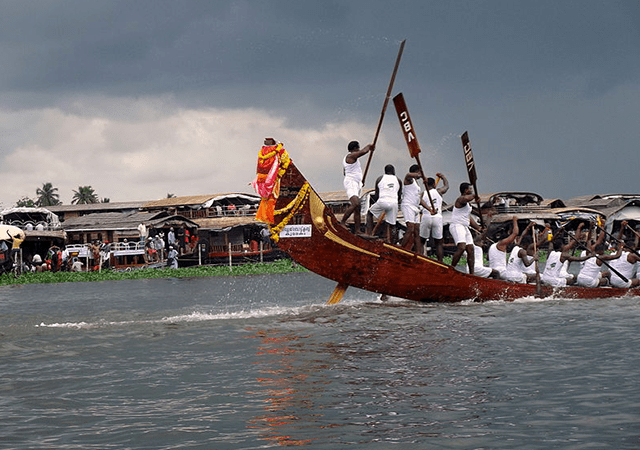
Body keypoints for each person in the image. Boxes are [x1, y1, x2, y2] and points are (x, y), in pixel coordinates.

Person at [341, 140, 374, 233]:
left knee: (357, 208)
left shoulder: (353, 159)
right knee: (355, 204)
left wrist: (360, 181)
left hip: (356, 183)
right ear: (355, 149)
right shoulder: (350, 156)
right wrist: (369, 146)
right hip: (351, 183)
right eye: (358, 148)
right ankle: (342, 222)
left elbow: (346, 172)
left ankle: (357, 230)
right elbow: (364, 151)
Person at [449, 182, 482, 274]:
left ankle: (472, 274)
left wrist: (478, 227)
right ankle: (451, 269)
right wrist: (475, 196)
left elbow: (468, 217)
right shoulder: (461, 199)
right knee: (462, 247)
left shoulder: (468, 205)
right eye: (470, 189)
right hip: (457, 225)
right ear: (465, 190)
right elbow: (468, 198)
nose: (471, 190)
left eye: (472, 189)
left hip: (465, 227)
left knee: (471, 249)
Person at [366, 164, 402, 243]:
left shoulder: (379, 178)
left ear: (385, 171)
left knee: (369, 213)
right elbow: (399, 195)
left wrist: (379, 204)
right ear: (393, 171)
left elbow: (376, 195)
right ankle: (390, 241)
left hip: (382, 201)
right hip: (394, 202)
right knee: (391, 223)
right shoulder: (398, 180)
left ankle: (369, 234)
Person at [399, 164, 431, 251]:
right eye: (420, 171)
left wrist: (430, 209)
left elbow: (420, 200)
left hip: (416, 208)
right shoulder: (409, 179)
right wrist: (421, 175)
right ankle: (400, 249)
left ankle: (418, 253)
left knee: (417, 232)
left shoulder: (417, 185)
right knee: (410, 228)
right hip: (408, 206)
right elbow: (408, 175)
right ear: (417, 171)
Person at [419, 172, 449, 261]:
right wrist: (443, 176)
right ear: (433, 184)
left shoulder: (422, 193)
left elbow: (420, 201)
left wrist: (428, 209)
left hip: (426, 217)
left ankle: (421, 261)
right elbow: (447, 186)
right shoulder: (439, 191)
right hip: (437, 218)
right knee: (439, 243)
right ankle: (440, 263)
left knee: (422, 242)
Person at [608, 221, 640, 288]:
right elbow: (634, 247)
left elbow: (618, 239)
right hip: (621, 282)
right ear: (632, 248)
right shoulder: (632, 256)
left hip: (612, 280)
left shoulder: (618, 252)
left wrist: (622, 227)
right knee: (638, 280)